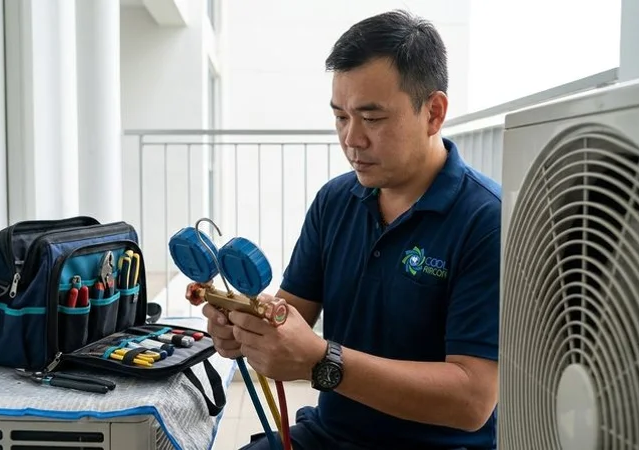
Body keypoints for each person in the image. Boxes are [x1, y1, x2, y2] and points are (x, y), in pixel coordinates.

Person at [192, 9, 501, 450]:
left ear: (433, 113)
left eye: (372, 118)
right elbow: (288, 315)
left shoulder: (486, 220)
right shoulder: (336, 200)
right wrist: (245, 330)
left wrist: (323, 362)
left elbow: (471, 400)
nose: (352, 139)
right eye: (341, 117)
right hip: (331, 434)